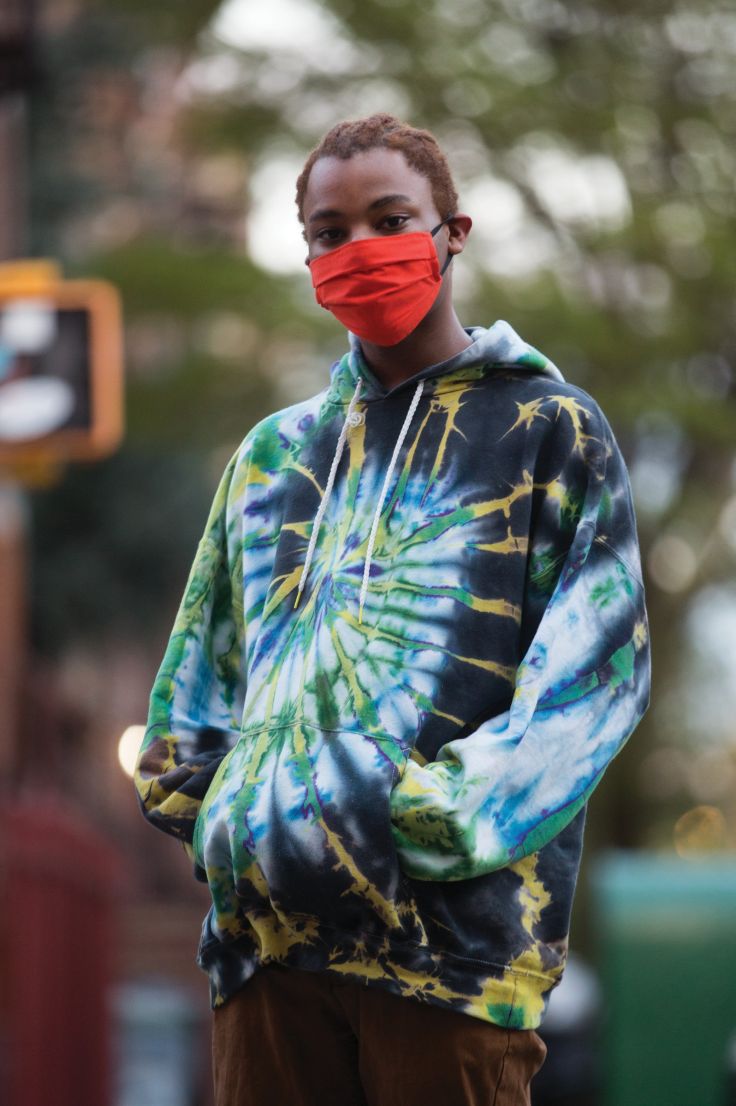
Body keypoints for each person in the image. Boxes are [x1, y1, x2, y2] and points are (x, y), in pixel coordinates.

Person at [135, 114, 650, 1106]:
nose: (358, 248)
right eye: (329, 232)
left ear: (451, 230)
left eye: (388, 217)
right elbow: (195, 688)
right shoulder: (272, 457)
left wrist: (424, 820)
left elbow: (596, 679)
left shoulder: (547, 429)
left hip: (451, 966)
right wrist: (239, 827)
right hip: (268, 963)